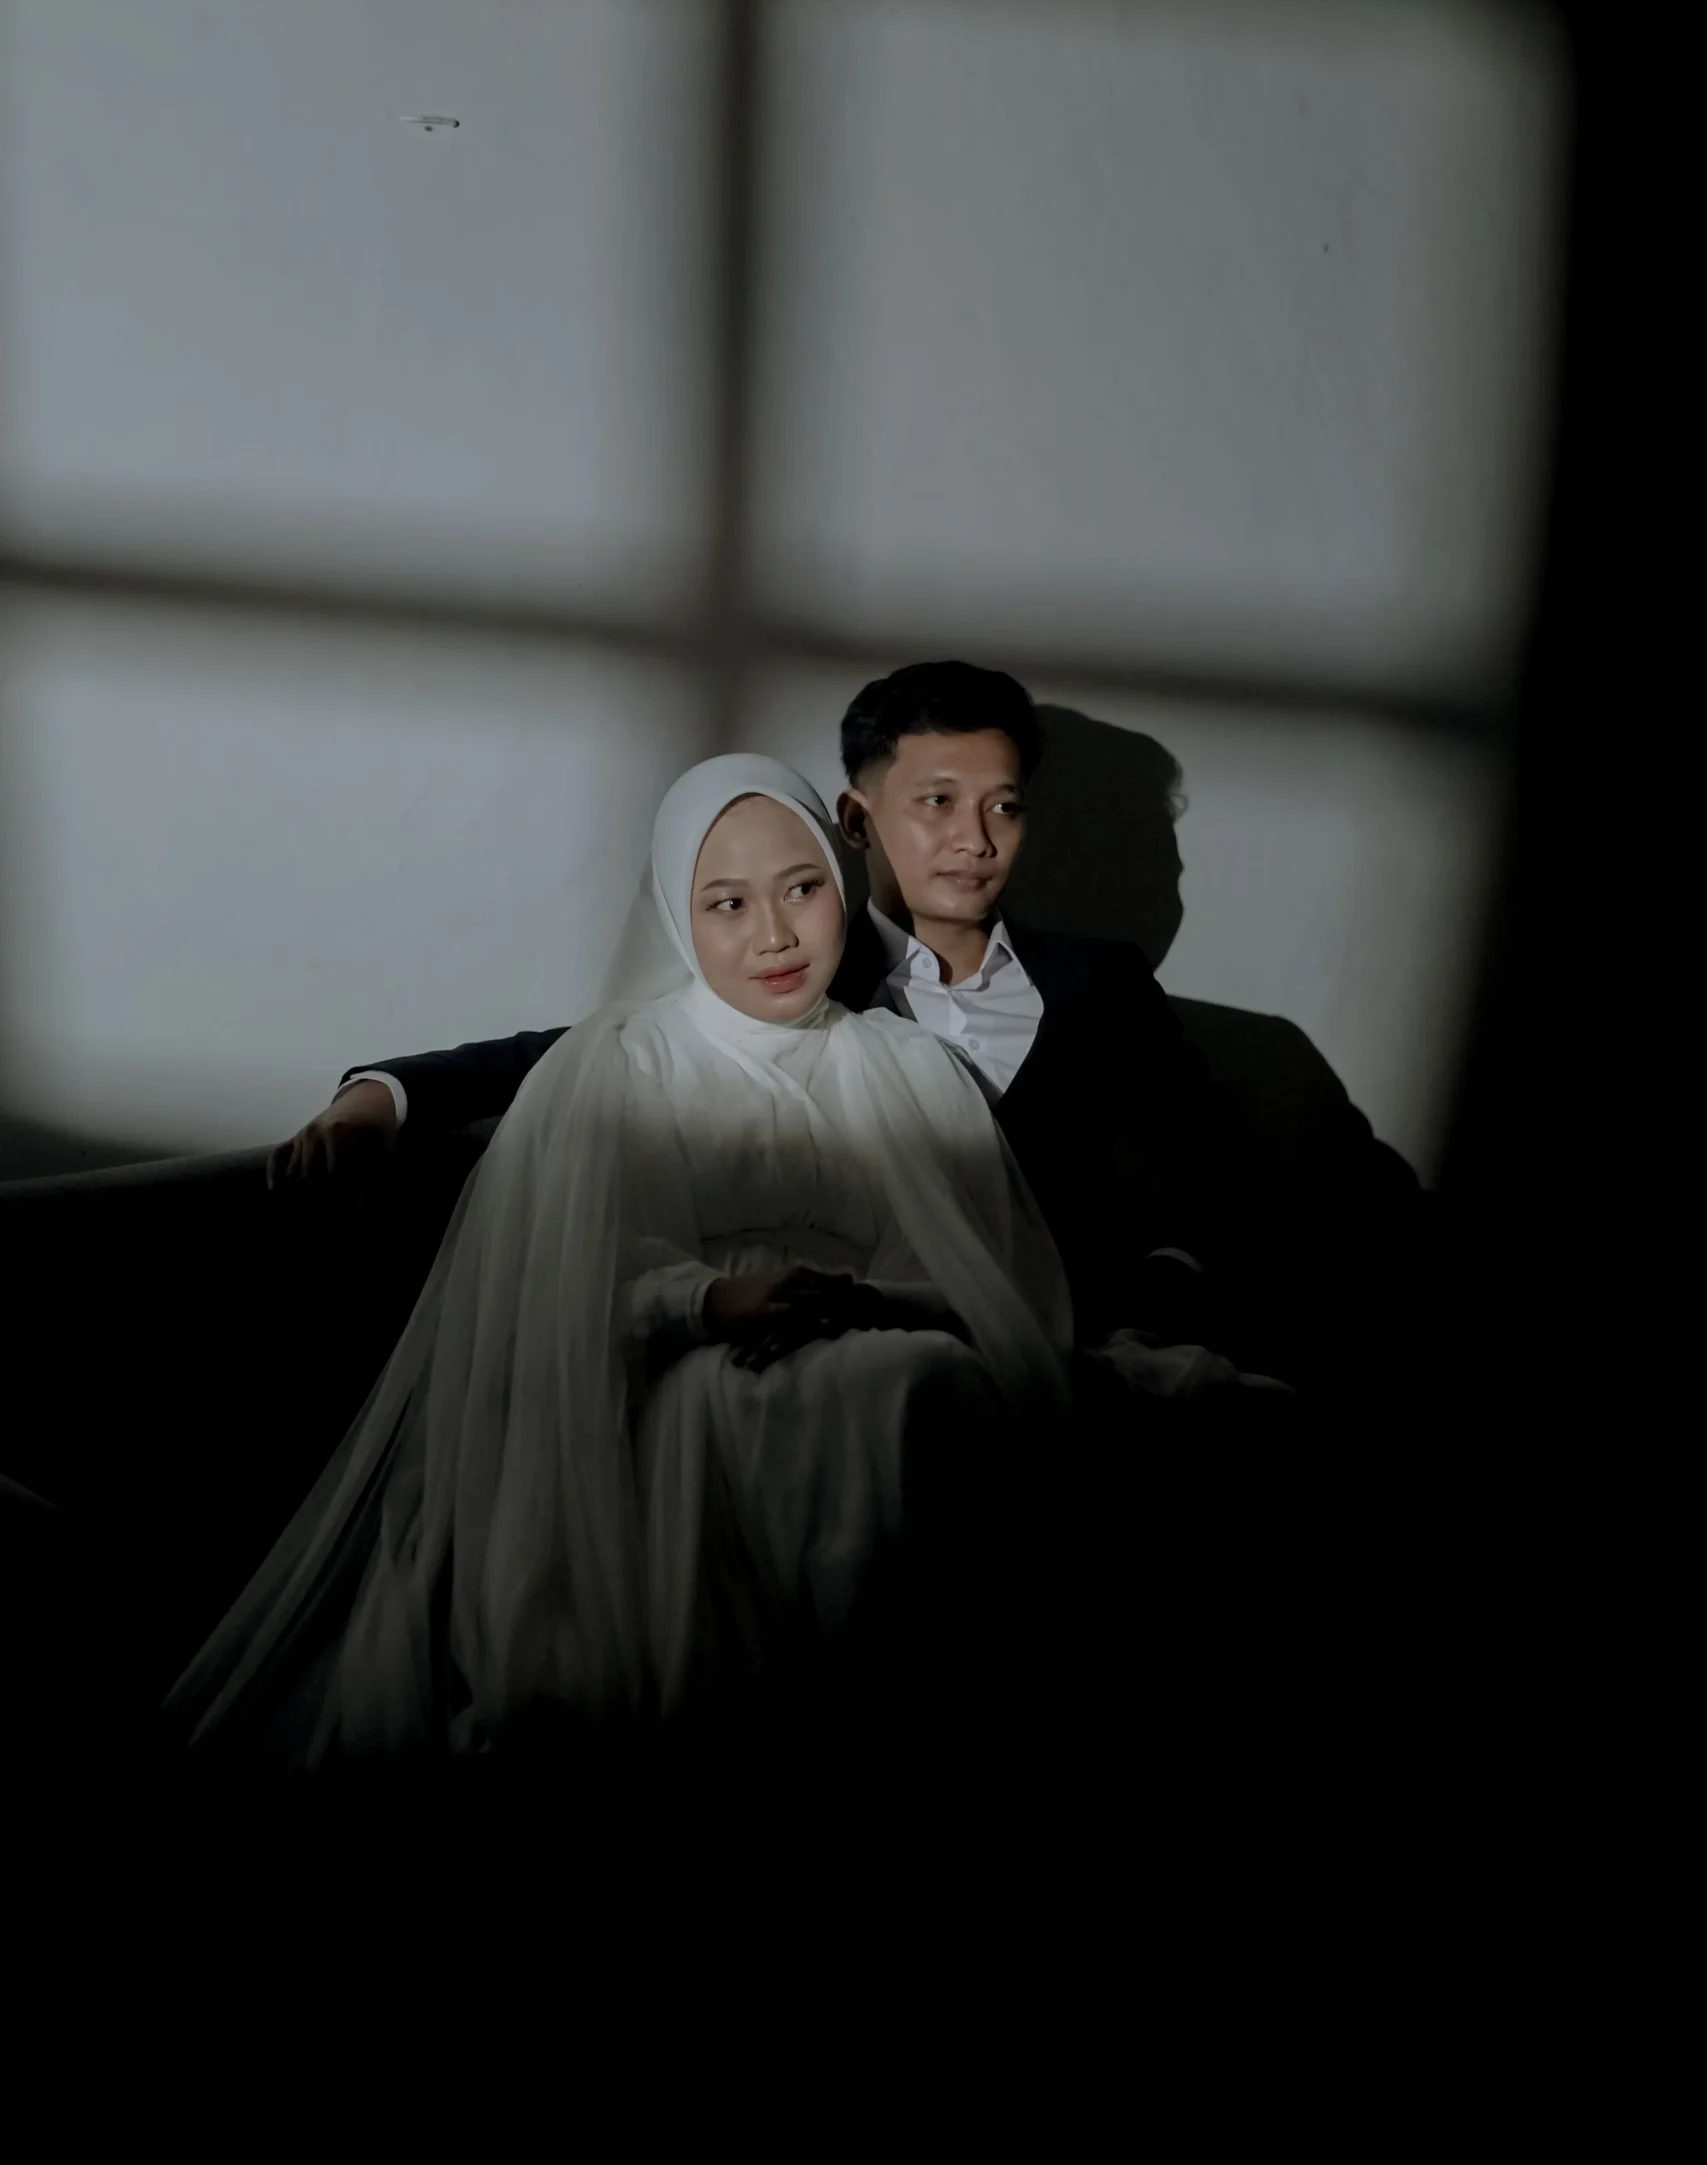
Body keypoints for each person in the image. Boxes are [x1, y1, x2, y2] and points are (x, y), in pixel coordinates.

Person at [164, 756, 1097, 1768]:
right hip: (681, 1366)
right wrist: (712, 1302)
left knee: (929, 1379)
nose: (775, 934)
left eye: (802, 888)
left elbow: (962, 1249)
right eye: (727, 903)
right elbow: (564, 1279)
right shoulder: (621, 1063)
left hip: (865, 1326)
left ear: (841, 879)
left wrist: (859, 1301)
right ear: (677, 918)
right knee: (905, 1390)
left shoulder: (905, 1063)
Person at [278, 663, 1316, 1381]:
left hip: (1064, 1337)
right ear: (855, 819)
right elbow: (584, 1054)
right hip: (868, 1352)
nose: (974, 839)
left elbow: (1222, 1175)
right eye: (937, 802)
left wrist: (1164, 1286)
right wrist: (383, 1093)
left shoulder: (1100, 984)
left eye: (1002, 806)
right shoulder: (792, 969)